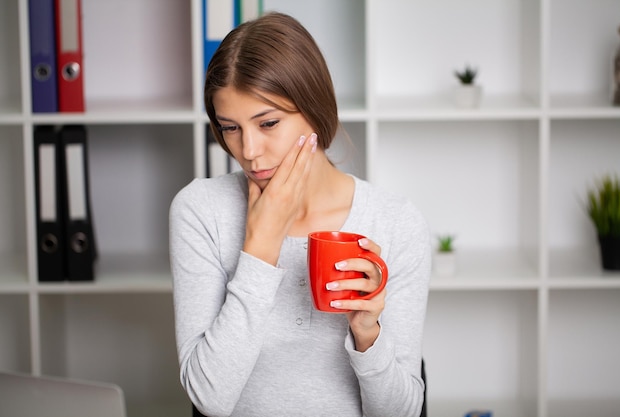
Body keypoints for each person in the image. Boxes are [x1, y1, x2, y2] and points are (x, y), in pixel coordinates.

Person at [169, 12, 430, 417]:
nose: (249, 151)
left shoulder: (395, 221)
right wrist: (261, 246)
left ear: (315, 108)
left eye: (268, 123)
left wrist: (367, 334)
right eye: (230, 128)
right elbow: (210, 399)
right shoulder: (201, 211)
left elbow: (401, 413)